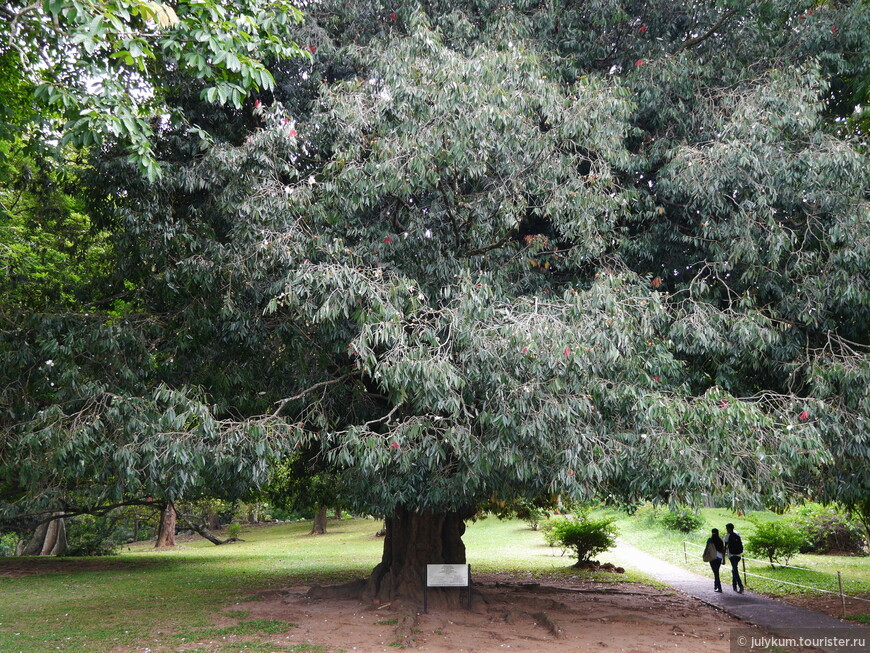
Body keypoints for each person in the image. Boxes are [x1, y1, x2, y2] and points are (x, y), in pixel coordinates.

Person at [724, 523, 744, 593]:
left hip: (732, 555)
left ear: (729, 529)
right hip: (738, 555)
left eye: (727, 528)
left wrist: (723, 557)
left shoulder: (727, 536)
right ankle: (734, 586)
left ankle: (740, 586)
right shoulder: (737, 535)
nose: (726, 530)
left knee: (735, 570)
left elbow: (725, 547)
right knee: (734, 569)